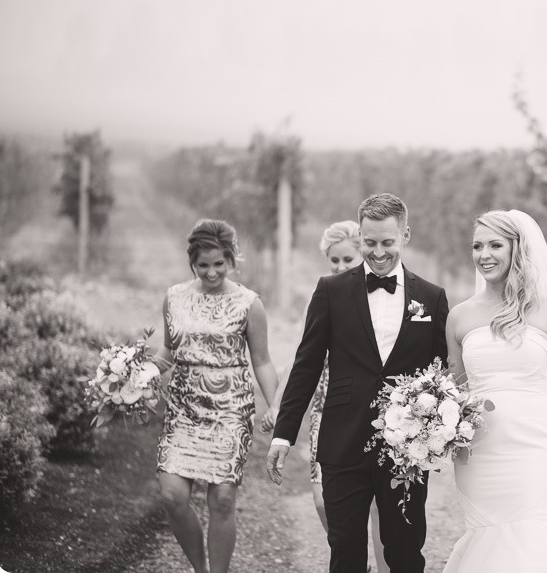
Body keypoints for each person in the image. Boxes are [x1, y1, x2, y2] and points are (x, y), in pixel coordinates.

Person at [267, 193, 449, 573]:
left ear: (405, 236)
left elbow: (441, 372)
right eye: (369, 243)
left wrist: (442, 431)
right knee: (345, 554)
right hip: (343, 443)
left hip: (405, 451)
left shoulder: (432, 298)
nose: (378, 252)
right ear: (360, 237)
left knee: (405, 553)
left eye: (387, 242)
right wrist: (284, 434)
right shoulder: (331, 291)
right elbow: (306, 365)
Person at [442, 209, 547, 572]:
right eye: (477, 246)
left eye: (494, 245)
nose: (484, 254)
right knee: (487, 533)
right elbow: (455, 390)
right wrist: (443, 437)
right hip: (482, 450)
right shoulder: (459, 317)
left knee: (535, 531)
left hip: (536, 444)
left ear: (516, 249)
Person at [153, 219, 279, 573]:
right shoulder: (174, 297)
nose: (211, 272)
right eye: (203, 265)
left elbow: (263, 360)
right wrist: (134, 376)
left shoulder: (249, 303)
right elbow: (167, 351)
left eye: (219, 264)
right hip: (183, 409)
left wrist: (275, 404)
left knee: (222, 500)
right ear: (192, 261)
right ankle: (200, 568)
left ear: (232, 259)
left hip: (230, 410)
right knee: (172, 496)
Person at [261, 220, 388, 573]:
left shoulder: (382, 301)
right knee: (322, 500)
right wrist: (277, 405)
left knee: (379, 506)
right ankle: (352, 558)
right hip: (327, 413)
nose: (340, 267)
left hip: (375, 412)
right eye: (334, 261)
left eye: (347, 259)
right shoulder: (326, 296)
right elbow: (302, 361)